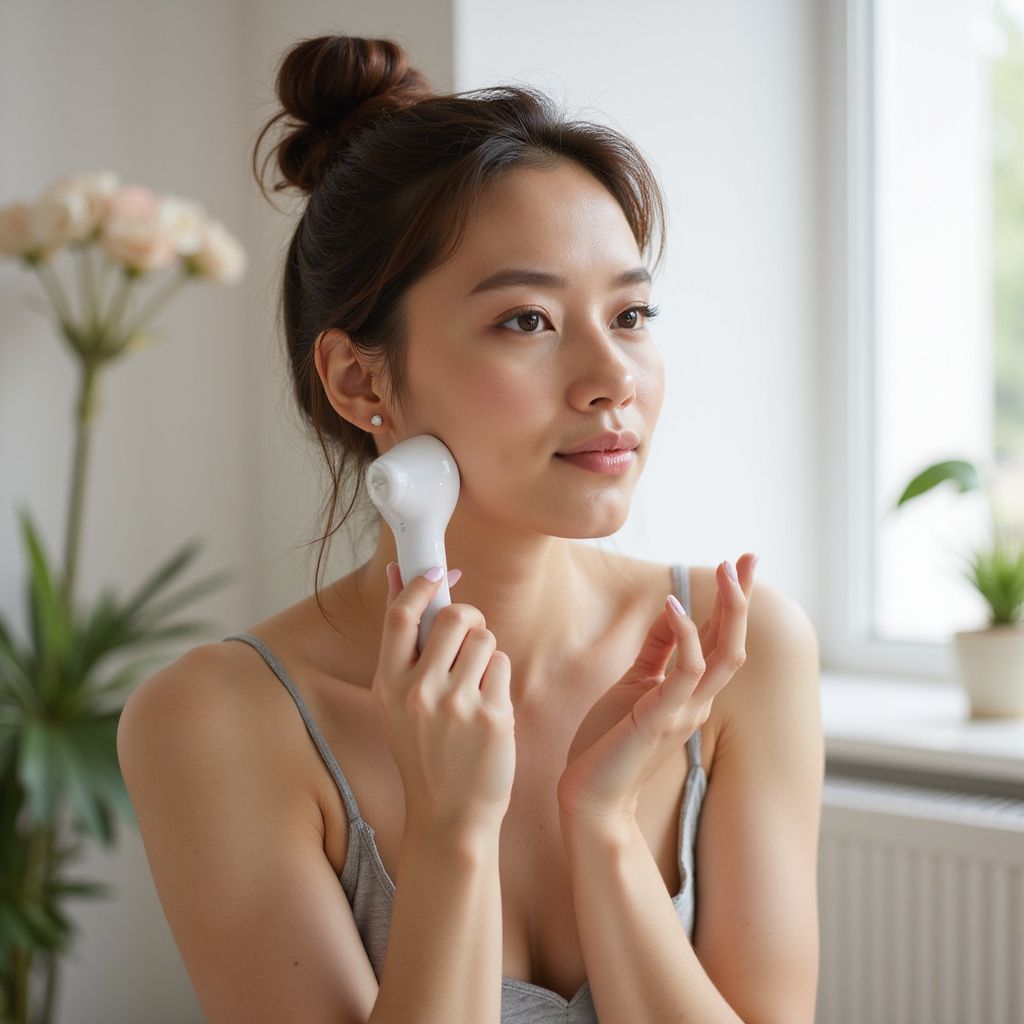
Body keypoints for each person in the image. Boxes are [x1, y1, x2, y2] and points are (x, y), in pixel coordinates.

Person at [117, 33, 824, 1024]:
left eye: (630, 314)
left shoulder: (737, 650)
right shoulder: (217, 723)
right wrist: (452, 834)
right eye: (526, 320)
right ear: (361, 379)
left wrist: (605, 829)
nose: (612, 377)